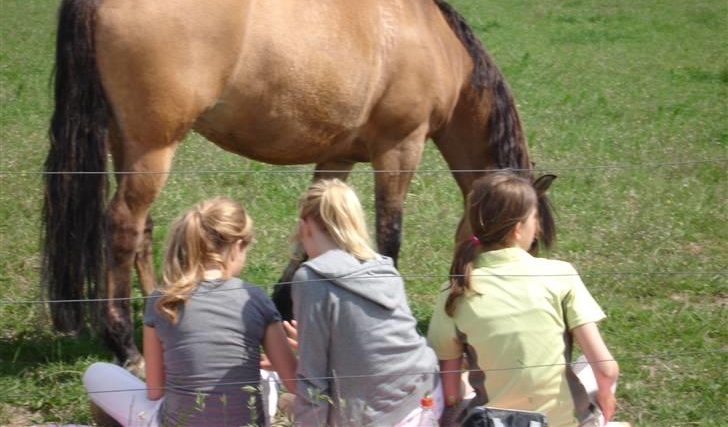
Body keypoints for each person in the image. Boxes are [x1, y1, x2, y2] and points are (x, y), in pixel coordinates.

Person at [83, 197, 297, 427]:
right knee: (267, 373)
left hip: (178, 420)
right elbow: (294, 381)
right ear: (237, 246)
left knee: (97, 372)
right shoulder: (255, 297)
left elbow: (155, 391)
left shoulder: (161, 299)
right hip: (249, 421)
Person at [427, 172, 619, 427]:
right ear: (519, 228)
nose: (538, 226)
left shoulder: (452, 291)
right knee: (585, 367)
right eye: (535, 218)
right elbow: (606, 370)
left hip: (492, 422)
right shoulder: (561, 274)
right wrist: (605, 397)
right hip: (566, 422)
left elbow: (450, 393)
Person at [290, 179, 442, 426]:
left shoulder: (311, 278)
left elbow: (313, 379)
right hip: (427, 395)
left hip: (376, 416)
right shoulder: (382, 267)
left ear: (305, 227)